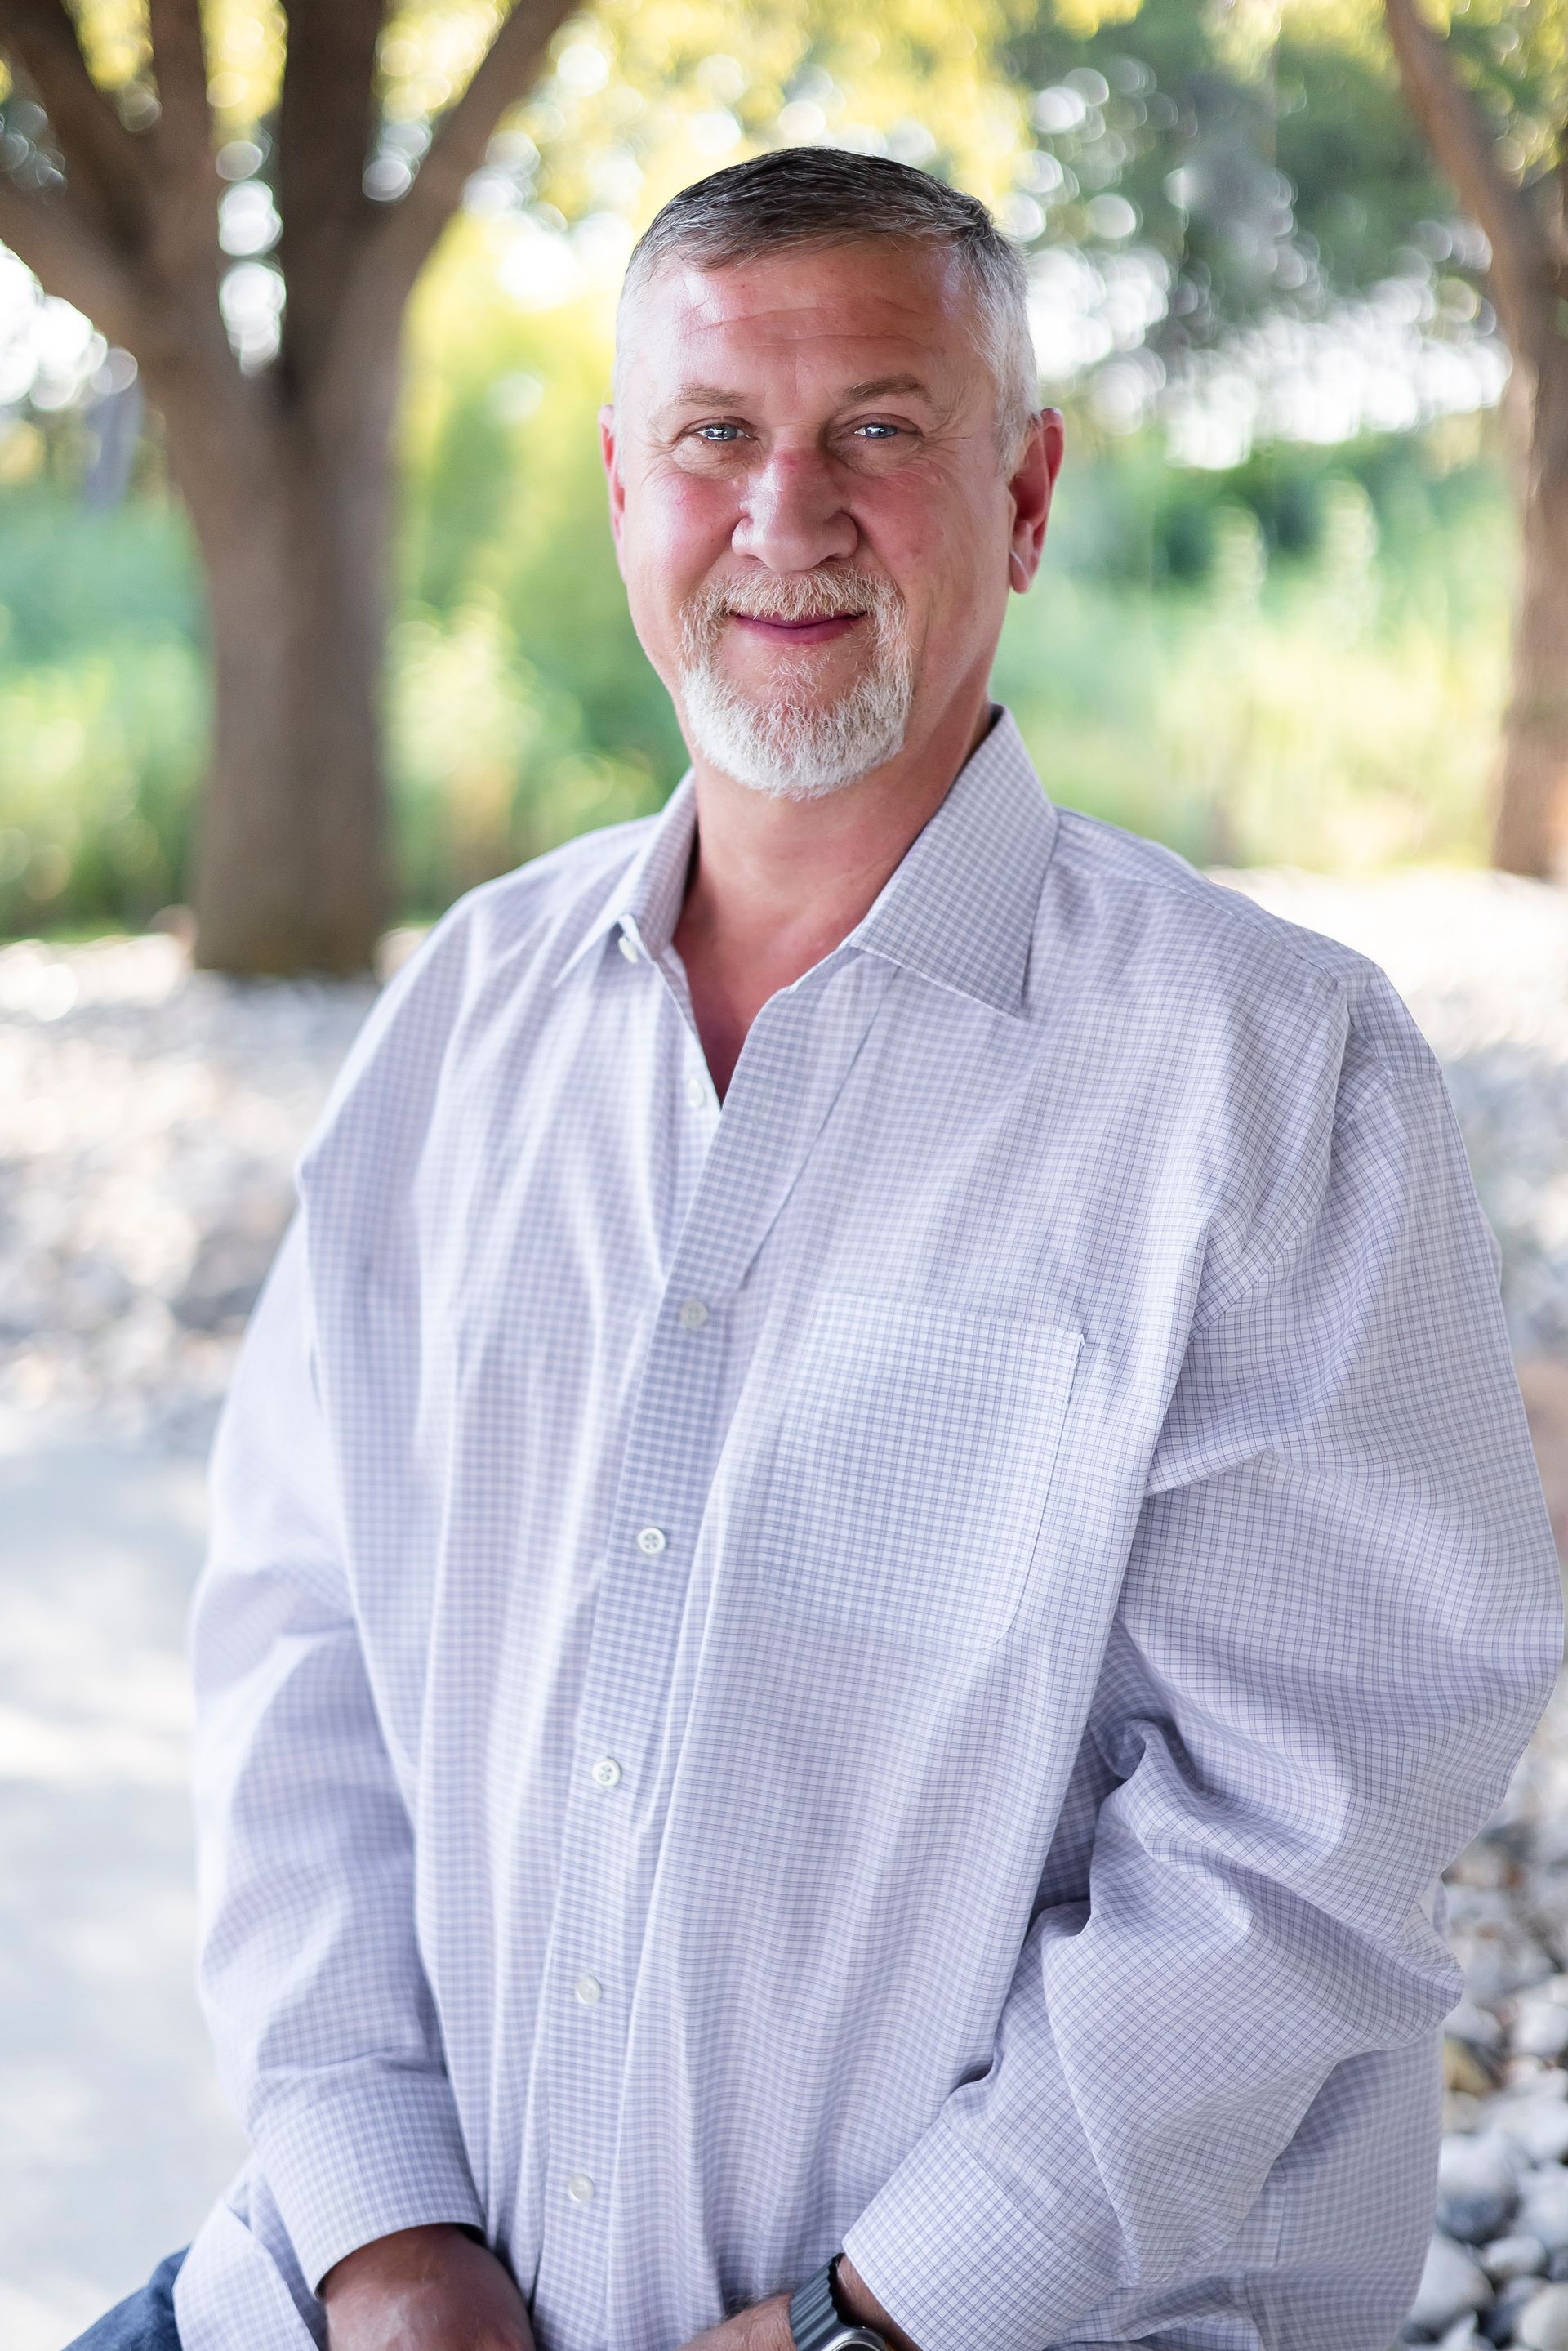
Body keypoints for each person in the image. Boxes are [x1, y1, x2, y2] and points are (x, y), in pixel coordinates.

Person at [74, 149, 1562, 2351]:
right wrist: (387, 2242)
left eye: (882, 428)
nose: (789, 515)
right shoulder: (459, 1031)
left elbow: (1301, 1832)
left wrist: (867, 2319)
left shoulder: (1267, 1081)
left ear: (1029, 495)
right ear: (620, 494)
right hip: (365, 2306)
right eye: (716, 439)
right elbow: (304, 1671)